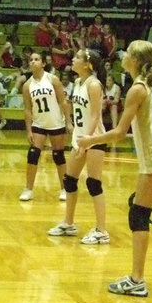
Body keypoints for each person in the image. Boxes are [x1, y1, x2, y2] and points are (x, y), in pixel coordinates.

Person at [78, 40, 152, 298]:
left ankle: (137, 280)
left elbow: (119, 133)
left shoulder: (137, 89)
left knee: (138, 213)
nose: (123, 55)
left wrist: (89, 141)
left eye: (127, 53)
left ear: (136, 61)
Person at [48, 49, 110, 244]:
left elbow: (96, 116)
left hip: (95, 138)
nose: (72, 59)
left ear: (86, 64)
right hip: (80, 137)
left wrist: (88, 139)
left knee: (93, 183)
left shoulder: (94, 84)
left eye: (77, 57)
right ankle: (69, 223)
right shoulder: (77, 83)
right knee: (69, 180)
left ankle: (102, 230)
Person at [20, 51, 70, 202]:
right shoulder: (27, 85)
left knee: (58, 156)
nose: (33, 62)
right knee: (33, 154)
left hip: (56, 123)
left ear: (43, 63)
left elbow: (63, 102)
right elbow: (27, 109)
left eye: (36, 59)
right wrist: (29, 130)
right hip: (39, 123)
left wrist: (68, 122)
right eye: (31, 59)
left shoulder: (52, 79)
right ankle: (28, 189)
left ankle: (64, 189)